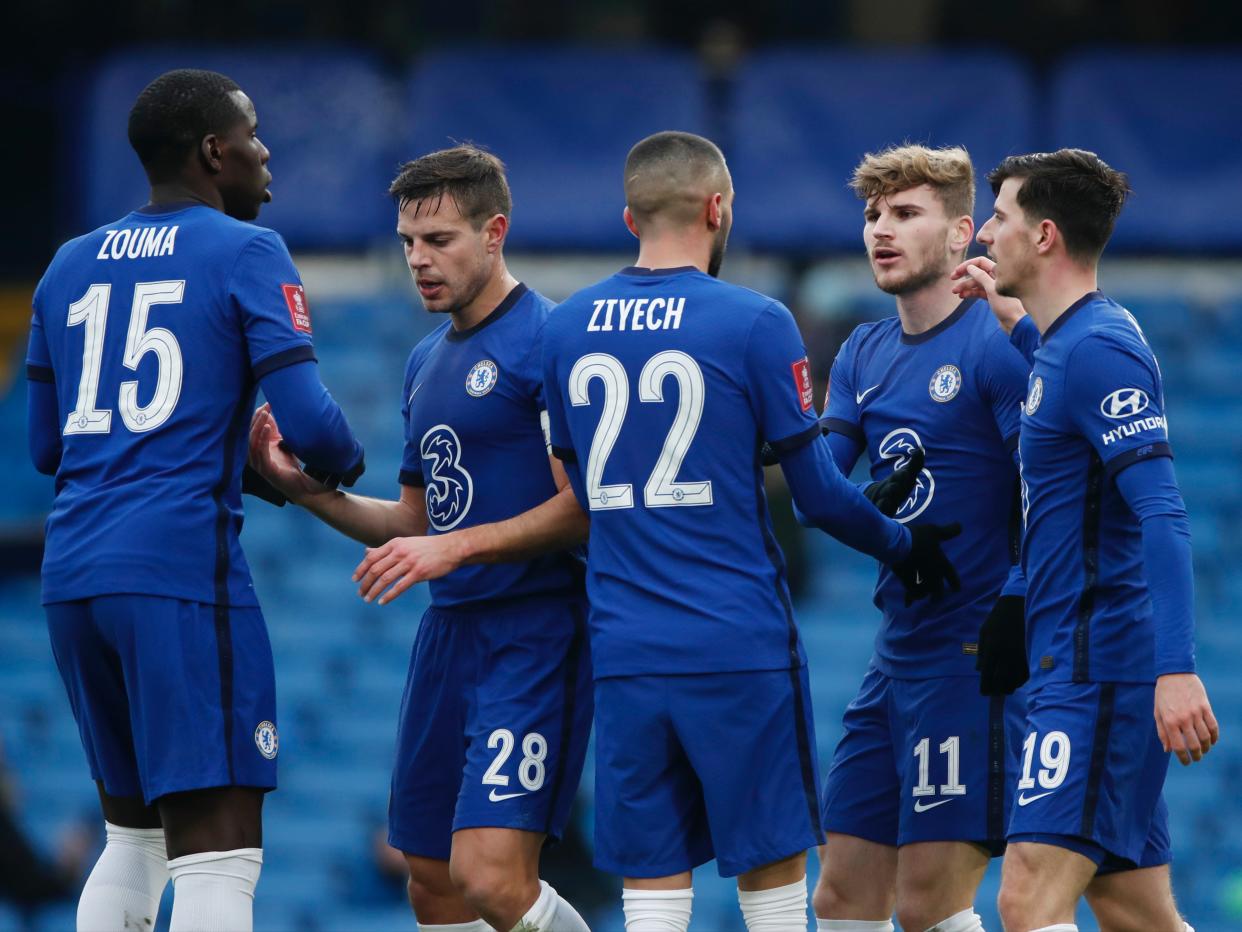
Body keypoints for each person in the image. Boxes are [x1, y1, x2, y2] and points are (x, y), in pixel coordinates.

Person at [539, 130, 962, 932]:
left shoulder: (565, 329)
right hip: (736, 642)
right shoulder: (756, 321)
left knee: (652, 898)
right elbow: (821, 499)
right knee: (770, 887)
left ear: (630, 216)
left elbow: (576, 490)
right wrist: (906, 546)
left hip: (625, 649)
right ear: (718, 207)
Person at [24, 68, 364, 932]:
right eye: (252, 134)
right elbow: (317, 430)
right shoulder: (248, 250)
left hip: (73, 575)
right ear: (215, 152)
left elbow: (46, 448)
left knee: (129, 836)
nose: (265, 150)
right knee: (218, 853)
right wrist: (334, 466)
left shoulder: (66, 264)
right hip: (176, 569)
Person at [248, 145, 593, 932]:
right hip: (450, 638)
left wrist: (454, 547)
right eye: (408, 242)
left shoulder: (551, 340)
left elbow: (584, 509)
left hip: (535, 631)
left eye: (439, 240)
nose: (418, 260)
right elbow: (413, 523)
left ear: (495, 231)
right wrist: (301, 489)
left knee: (492, 878)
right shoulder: (421, 362)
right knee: (432, 885)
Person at [955, 148, 1218, 932]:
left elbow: (1163, 513)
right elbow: (1067, 431)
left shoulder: (1099, 348)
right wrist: (1018, 327)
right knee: (1135, 910)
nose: (985, 234)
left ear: (1042, 236)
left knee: (1028, 897)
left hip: (1100, 667)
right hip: (1072, 661)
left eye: (998, 217)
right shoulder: (1067, 345)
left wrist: (1176, 670)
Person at [809, 145, 1031, 932]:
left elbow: (1050, 485)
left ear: (963, 231)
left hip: (974, 654)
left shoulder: (996, 344)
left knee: (929, 905)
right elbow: (818, 485)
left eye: (906, 214)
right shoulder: (864, 351)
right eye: (873, 215)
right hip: (896, 651)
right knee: (839, 900)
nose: (881, 230)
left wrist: (1016, 593)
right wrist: (857, 499)